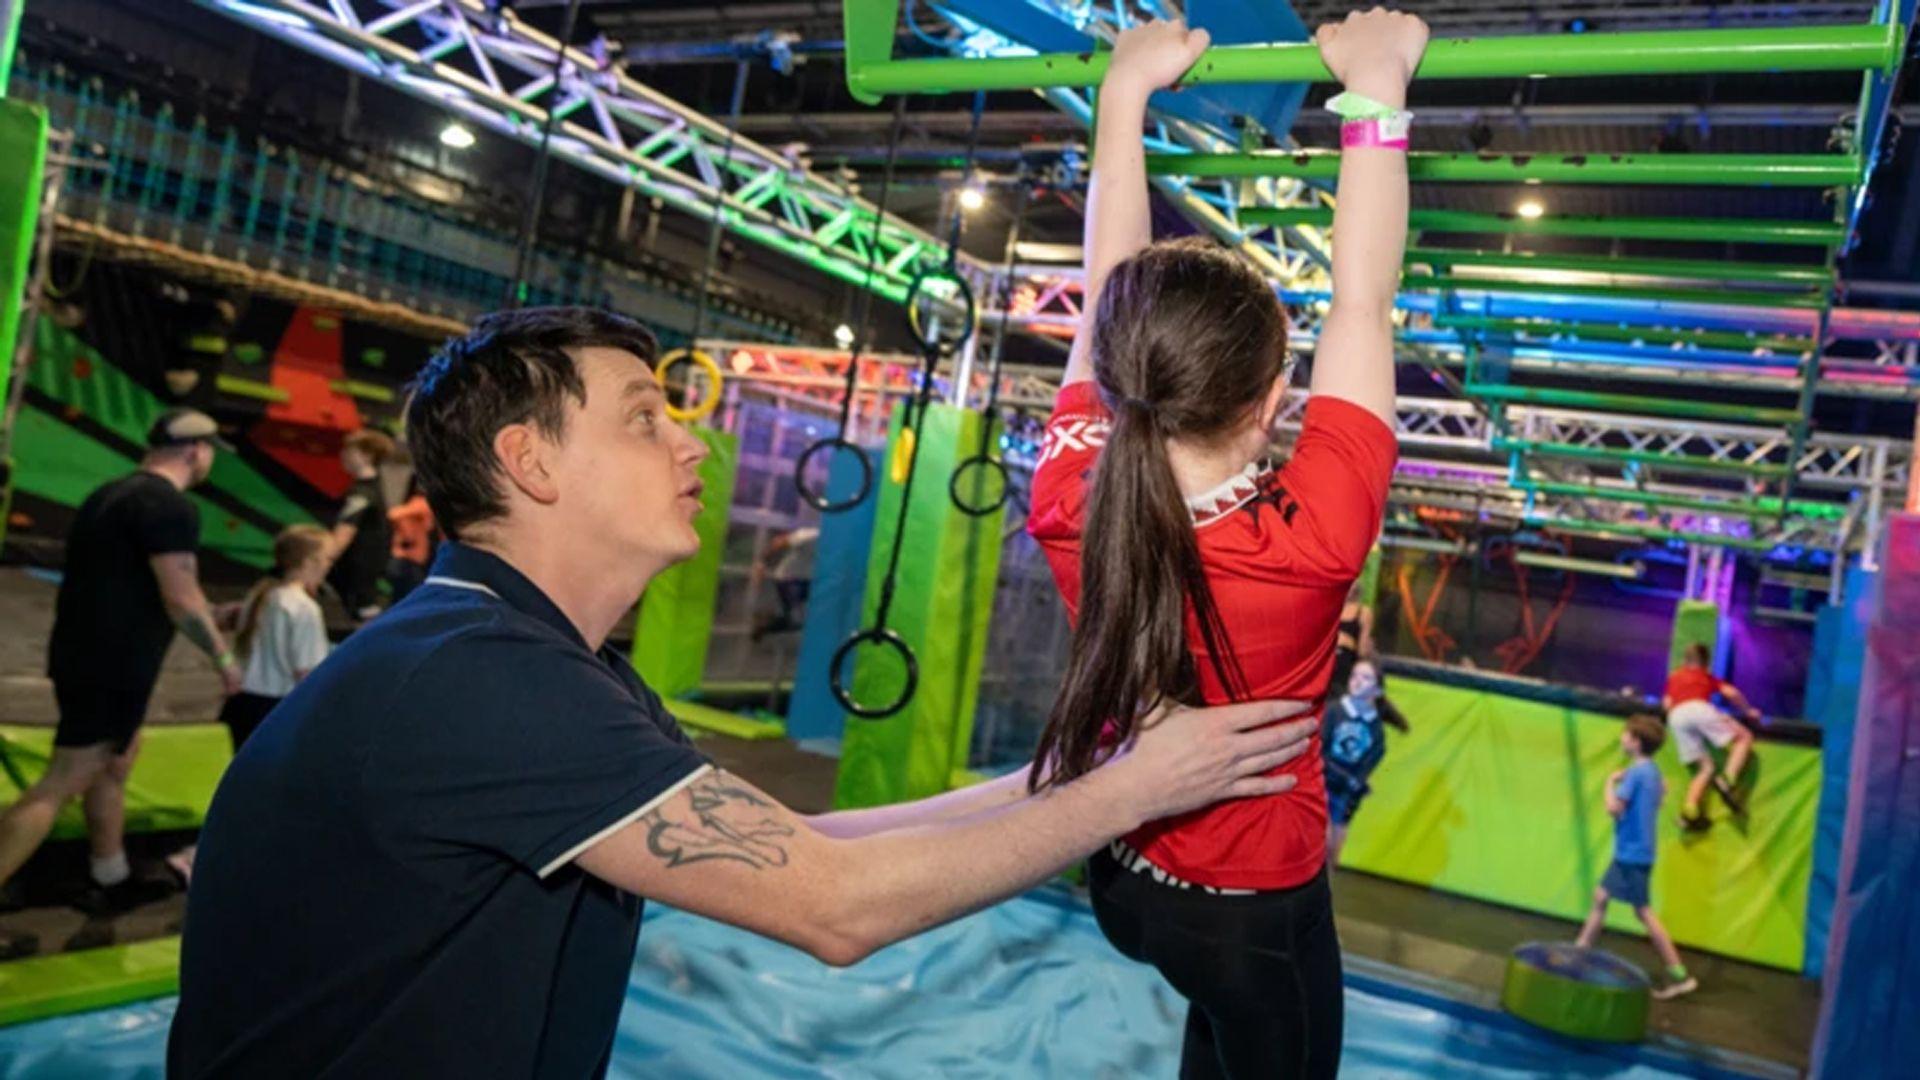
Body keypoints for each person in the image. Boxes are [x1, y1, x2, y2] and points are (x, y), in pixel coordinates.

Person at [168, 306, 1321, 1077]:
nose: (692, 448)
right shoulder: (474, 679)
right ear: (529, 462)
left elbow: (790, 840)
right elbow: (834, 904)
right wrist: (1132, 794)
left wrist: (1068, 777)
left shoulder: (527, 659)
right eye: (645, 420)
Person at [1025, 13, 1422, 1078]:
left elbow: (1356, 309)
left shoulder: (1066, 490)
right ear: (1273, 402)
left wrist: (1125, 94)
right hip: (1252, 917)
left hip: (1117, 873)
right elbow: (1366, 302)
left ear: (1115, 380)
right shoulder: (1317, 540)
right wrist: (1373, 85)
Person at [0, 409, 241, 930]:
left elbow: (136, 587)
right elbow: (181, 598)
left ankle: (109, 876)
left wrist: (210, 614)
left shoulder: (108, 496)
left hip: (81, 653)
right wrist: (223, 658)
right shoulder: (169, 507)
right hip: (114, 665)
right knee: (65, 778)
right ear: (195, 451)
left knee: (114, 763)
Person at [1575, 714, 1697, 1001]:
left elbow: (1614, 808)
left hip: (1632, 854)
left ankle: (1680, 974)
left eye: (1626, 735)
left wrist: (1609, 782)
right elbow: (1659, 799)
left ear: (1636, 742)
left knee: (1643, 912)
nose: (1622, 738)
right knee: (1601, 896)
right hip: (1635, 851)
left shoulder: (1637, 773)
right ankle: (1580, 951)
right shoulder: (1652, 772)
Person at [219, 524, 332, 752]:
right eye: (327, 559)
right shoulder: (303, 607)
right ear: (310, 562)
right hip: (277, 708)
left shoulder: (259, 596)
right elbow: (306, 673)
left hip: (243, 704)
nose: (329, 566)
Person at [1662, 642, 1760, 827]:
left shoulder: (1674, 677)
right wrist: (1748, 711)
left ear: (1684, 660)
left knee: (1705, 768)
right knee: (1744, 738)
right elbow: (1731, 693)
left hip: (1676, 717)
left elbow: (1666, 704)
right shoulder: (1707, 677)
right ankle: (1727, 781)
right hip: (1699, 708)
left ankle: (1690, 811)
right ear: (1707, 663)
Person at [1321, 660, 1409, 863]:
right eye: (1354, 675)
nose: (1357, 681)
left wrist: (1357, 783)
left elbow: (1368, 765)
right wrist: (1344, 778)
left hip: (1345, 795)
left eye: (1365, 677)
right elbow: (1319, 752)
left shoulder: (1376, 729)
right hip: (1322, 785)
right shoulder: (1333, 711)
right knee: (1320, 842)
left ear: (1377, 691)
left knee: (1333, 852)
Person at [326, 428, 396, 622]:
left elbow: (344, 534)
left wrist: (319, 560)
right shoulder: (373, 488)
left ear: (367, 456)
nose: (343, 455)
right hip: (363, 582)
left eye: (350, 451)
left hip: (359, 584)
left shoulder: (363, 493)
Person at [751, 525, 818, 641]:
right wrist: (761, 563)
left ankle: (771, 618)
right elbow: (779, 542)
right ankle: (763, 626)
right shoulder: (811, 535)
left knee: (802, 619)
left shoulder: (838, 546)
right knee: (796, 620)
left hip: (808, 581)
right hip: (789, 579)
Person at [1328, 577, 1376, 710]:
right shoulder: (1333, 606)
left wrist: (1348, 643)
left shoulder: (1364, 612)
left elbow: (1362, 650)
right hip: (1328, 661)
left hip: (1345, 663)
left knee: (1339, 701)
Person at [385, 479, 436, 604]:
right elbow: (393, 514)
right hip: (408, 562)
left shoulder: (415, 509)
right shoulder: (421, 504)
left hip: (409, 561)